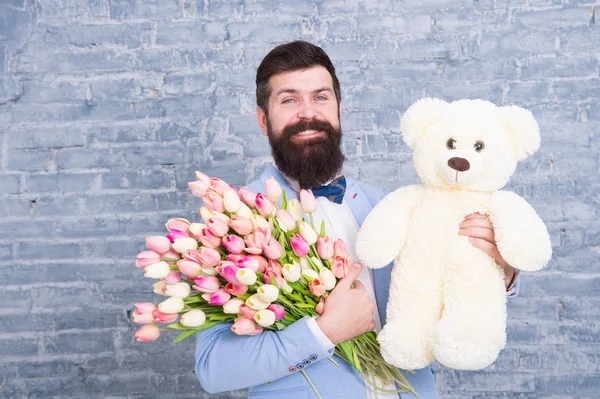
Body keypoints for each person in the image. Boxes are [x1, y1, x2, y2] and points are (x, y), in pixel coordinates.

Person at [194, 40, 520, 399]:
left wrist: (498, 272)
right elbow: (214, 368)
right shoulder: (234, 223)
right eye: (289, 100)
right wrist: (324, 332)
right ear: (262, 119)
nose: (308, 113)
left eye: (321, 97)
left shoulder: (386, 205)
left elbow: (437, 299)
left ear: (338, 109)